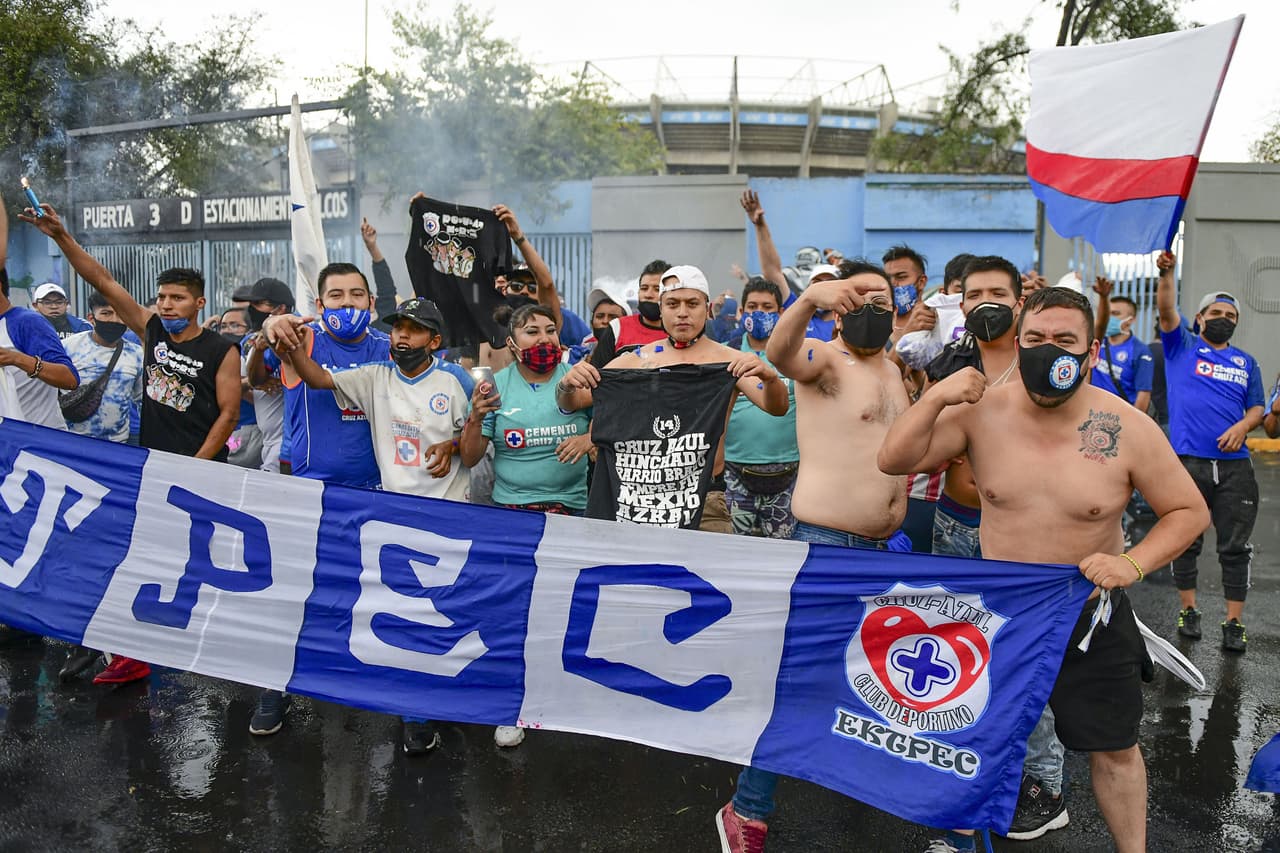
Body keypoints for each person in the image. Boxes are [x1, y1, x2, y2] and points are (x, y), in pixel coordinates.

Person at [878, 286, 1209, 853]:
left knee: (1115, 748)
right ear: (1017, 339)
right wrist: (934, 399)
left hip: (1088, 615)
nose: (1046, 350)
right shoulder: (981, 413)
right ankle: (960, 840)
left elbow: (1188, 511)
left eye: (1063, 340)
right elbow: (895, 459)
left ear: (1092, 351)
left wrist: (1132, 562)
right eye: (1034, 339)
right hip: (1000, 617)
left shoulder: (1126, 426)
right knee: (971, 737)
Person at [716, 260, 909, 852]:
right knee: (801, 681)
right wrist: (808, 300)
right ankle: (745, 810)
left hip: (883, 548)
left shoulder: (897, 371)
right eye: (858, 299)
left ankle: (857, 784)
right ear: (838, 307)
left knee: (877, 684)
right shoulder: (825, 359)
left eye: (882, 298)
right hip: (827, 544)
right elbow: (780, 350)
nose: (871, 307)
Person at [23, 203, 240, 686]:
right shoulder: (152, 332)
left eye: (177, 298)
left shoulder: (222, 350)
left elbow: (229, 414)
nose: (166, 305)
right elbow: (101, 280)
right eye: (161, 297)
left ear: (199, 304)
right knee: (141, 554)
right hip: (153, 467)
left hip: (203, 472)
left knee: (202, 560)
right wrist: (60, 236)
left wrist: (197, 467)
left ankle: (222, 646)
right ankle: (128, 651)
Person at [269, 296, 472, 755]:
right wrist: (294, 349)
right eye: (398, 328)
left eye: (413, 329)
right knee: (404, 616)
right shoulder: (374, 377)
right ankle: (415, 715)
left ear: (434, 341)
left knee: (442, 615)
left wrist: (456, 444)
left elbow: (480, 441)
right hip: (394, 517)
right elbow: (317, 378)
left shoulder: (454, 378)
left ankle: (451, 700)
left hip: (449, 516)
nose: (401, 336)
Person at [919, 257, 1072, 843]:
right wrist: (937, 404)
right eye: (973, 292)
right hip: (955, 529)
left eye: (998, 293)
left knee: (1022, 663)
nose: (985, 301)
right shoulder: (949, 365)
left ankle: (1041, 788)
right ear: (960, 301)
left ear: (1019, 302)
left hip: (1026, 540)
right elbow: (917, 447)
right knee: (958, 669)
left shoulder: (1048, 367)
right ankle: (961, 801)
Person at [557, 264, 788, 534]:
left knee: (708, 577)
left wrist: (770, 379)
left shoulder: (729, 361)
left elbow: (776, 407)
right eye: (672, 304)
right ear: (661, 307)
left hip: (705, 501)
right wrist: (566, 384)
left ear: (708, 307)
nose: (682, 313)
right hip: (641, 501)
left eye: (692, 304)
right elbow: (571, 402)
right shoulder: (637, 360)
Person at [1155, 250, 1263, 652]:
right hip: (1187, 463)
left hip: (1236, 468)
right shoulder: (1181, 347)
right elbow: (1167, 309)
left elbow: (1256, 407)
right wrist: (1168, 274)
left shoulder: (1246, 362)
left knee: (1235, 547)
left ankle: (1234, 621)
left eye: (1231, 316)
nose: (1224, 319)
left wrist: (1243, 426)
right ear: (1199, 319)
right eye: (1216, 313)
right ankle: (1189, 610)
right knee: (1186, 540)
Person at [460, 303, 593, 522]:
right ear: (511, 344)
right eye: (532, 332)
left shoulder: (578, 379)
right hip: (511, 511)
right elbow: (470, 458)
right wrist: (476, 418)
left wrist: (589, 438)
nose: (544, 338)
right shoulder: (495, 387)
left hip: (573, 509)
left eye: (551, 331)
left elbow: (609, 422)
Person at [722, 277, 799, 538]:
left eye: (767, 307)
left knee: (784, 561)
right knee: (732, 556)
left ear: (781, 313)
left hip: (789, 473)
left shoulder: (797, 356)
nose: (760, 313)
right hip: (734, 474)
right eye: (752, 306)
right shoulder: (724, 354)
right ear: (741, 312)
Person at [61, 291, 144, 442]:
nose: (115, 320)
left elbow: (142, 401)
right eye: (106, 313)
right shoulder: (67, 348)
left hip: (118, 445)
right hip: (71, 443)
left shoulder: (137, 354)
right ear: (91, 318)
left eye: (121, 314)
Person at [233, 277, 295, 474]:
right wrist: (257, 386)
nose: (252, 309)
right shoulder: (251, 342)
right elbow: (246, 384)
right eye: (250, 304)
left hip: (289, 441)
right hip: (266, 438)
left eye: (259, 304)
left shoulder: (301, 335)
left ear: (280, 309)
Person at [589, 259, 671, 366]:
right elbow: (597, 375)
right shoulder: (617, 328)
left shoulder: (682, 332)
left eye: (657, 289)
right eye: (644, 288)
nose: (648, 294)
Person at [1091, 278, 1154, 413]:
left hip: (1120, 419)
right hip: (1091, 413)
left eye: (1116, 314)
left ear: (1130, 320)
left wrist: (1134, 426)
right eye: (1108, 313)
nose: (1110, 318)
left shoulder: (1140, 351)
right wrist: (1103, 297)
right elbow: (1100, 324)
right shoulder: (1097, 342)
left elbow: (1143, 394)